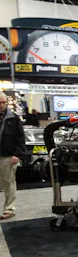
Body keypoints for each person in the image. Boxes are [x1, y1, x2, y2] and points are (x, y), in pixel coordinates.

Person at [0, 92, 26, 220]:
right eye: (0, 102)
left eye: (4, 102)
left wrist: (17, 154)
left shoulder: (13, 118)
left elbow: (20, 137)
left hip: (8, 156)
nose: (2, 105)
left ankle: (9, 210)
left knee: (9, 184)